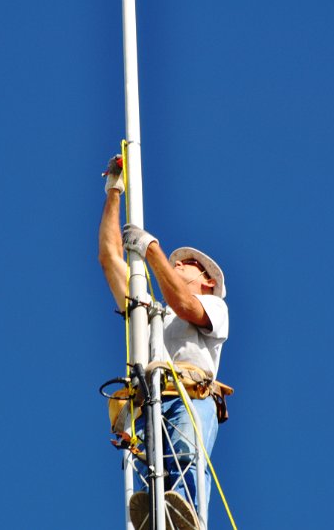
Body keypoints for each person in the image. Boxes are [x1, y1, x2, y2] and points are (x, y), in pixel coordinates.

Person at [98, 155, 229, 529]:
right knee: (152, 467)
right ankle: (161, 517)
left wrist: (151, 249)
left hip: (190, 395)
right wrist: (113, 193)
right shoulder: (151, 313)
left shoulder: (214, 307)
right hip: (150, 398)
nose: (179, 265)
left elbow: (185, 305)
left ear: (206, 280)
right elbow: (109, 259)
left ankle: (189, 518)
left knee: (185, 454)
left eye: (186, 264)